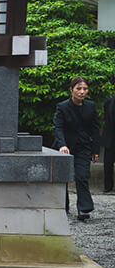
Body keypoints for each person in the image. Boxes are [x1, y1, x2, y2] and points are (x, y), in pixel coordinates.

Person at [53, 76, 100, 221]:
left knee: (82, 176)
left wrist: (95, 150)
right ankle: (62, 206)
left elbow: (95, 129)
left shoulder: (91, 106)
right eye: (78, 88)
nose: (82, 92)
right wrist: (62, 144)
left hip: (83, 146)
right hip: (65, 146)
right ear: (71, 89)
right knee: (63, 177)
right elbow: (58, 127)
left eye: (85, 89)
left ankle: (84, 209)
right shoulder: (62, 106)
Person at [103, 92, 115, 194]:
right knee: (108, 164)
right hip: (110, 138)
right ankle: (108, 186)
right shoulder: (108, 102)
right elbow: (106, 120)